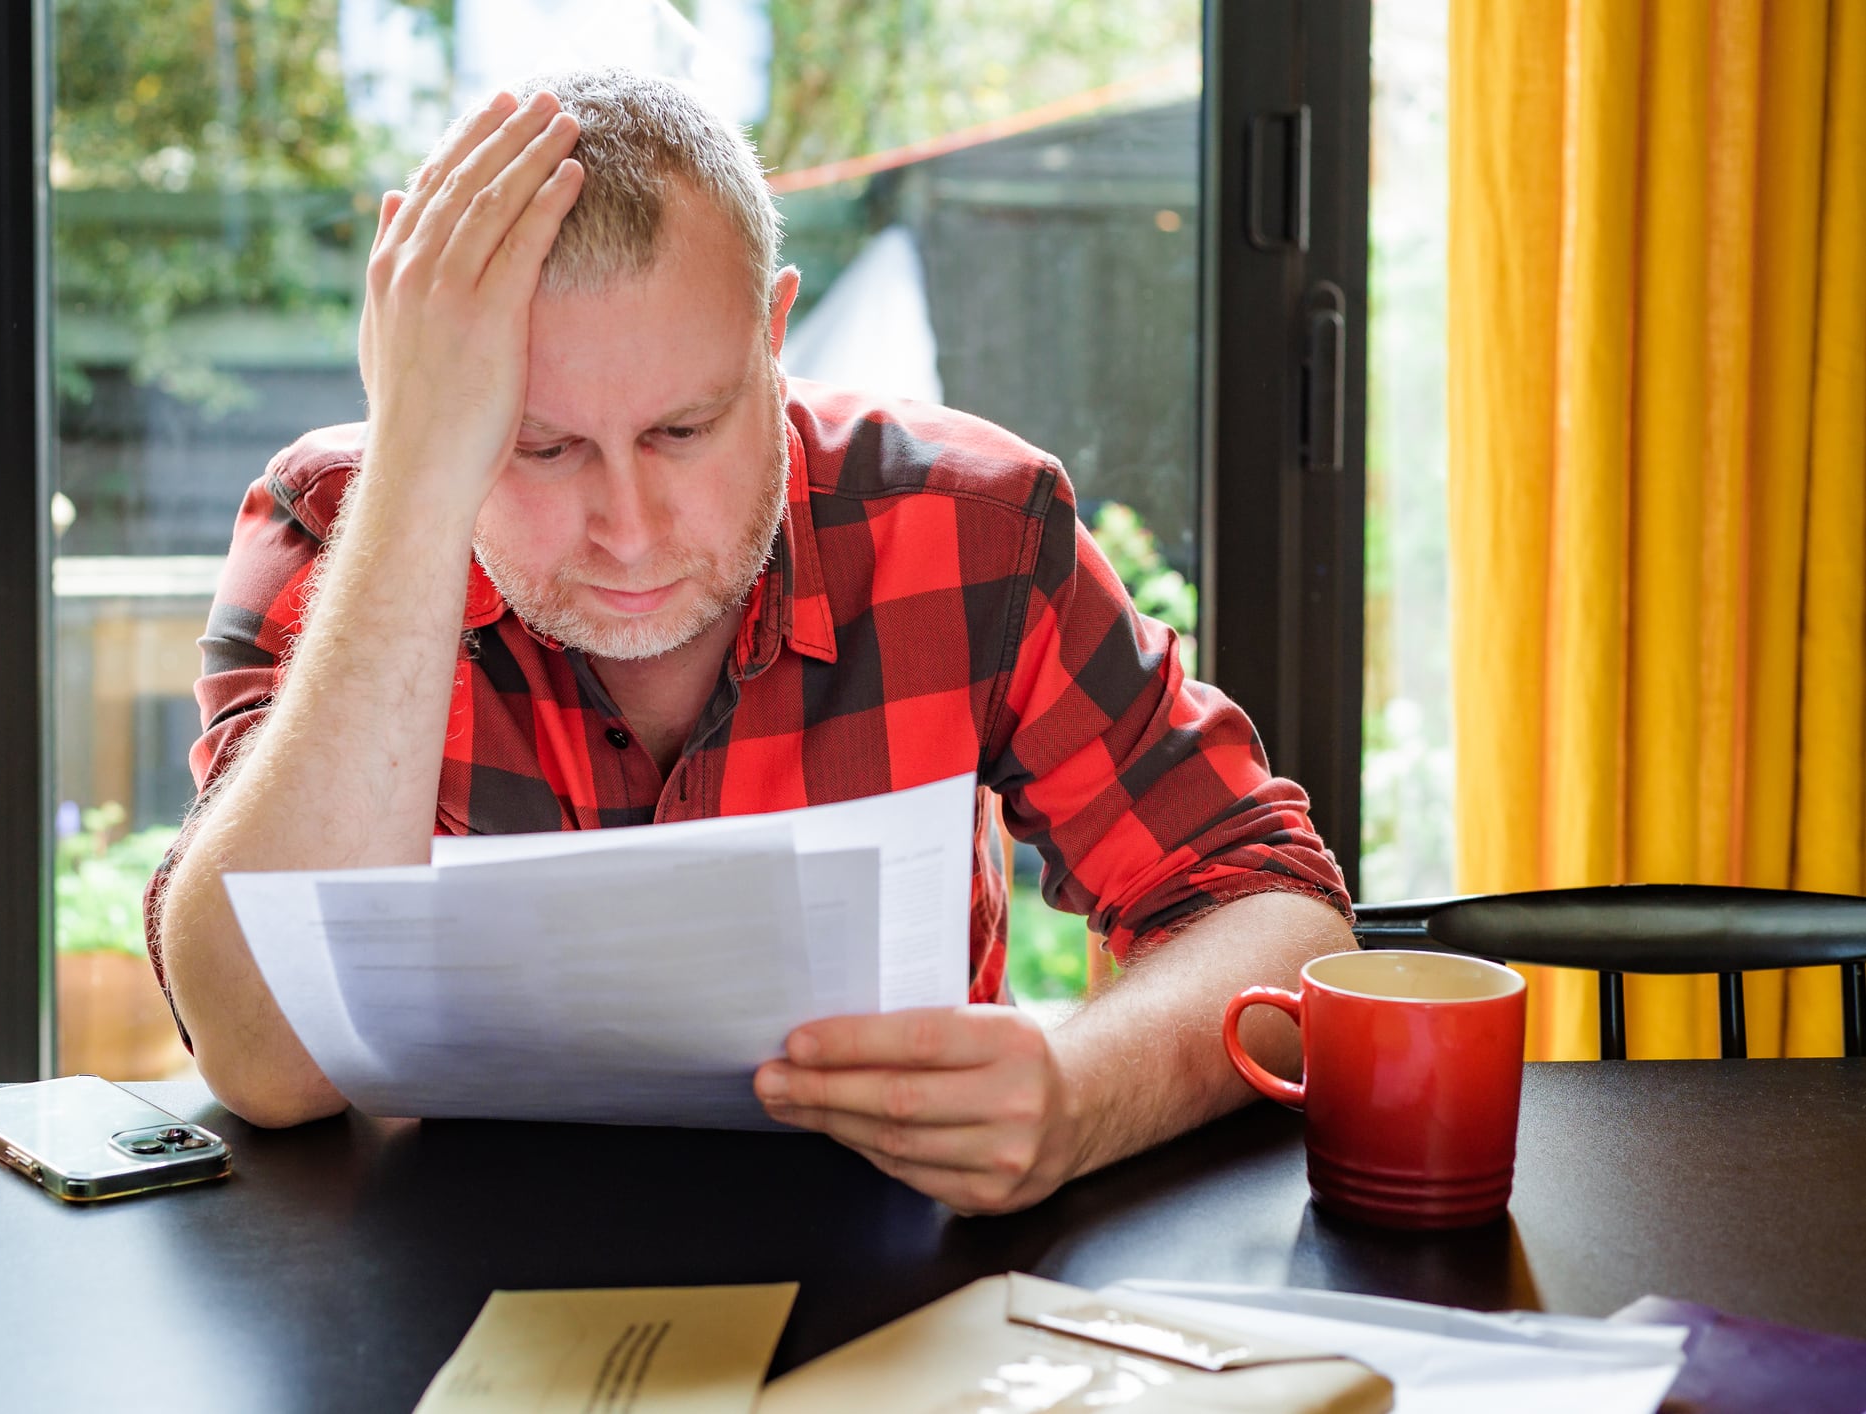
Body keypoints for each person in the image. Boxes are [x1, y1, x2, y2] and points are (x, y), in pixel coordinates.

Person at [144, 68, 1355, 1216]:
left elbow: (1279, 909)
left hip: (903, 1273)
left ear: (774, 337)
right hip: (423, 1290)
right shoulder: (342, 528)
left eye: (684, 428)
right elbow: (265, 1059)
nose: (627, 529)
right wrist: (416, 476)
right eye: (540, 445)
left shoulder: (967, 526)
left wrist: (1083, 1093)